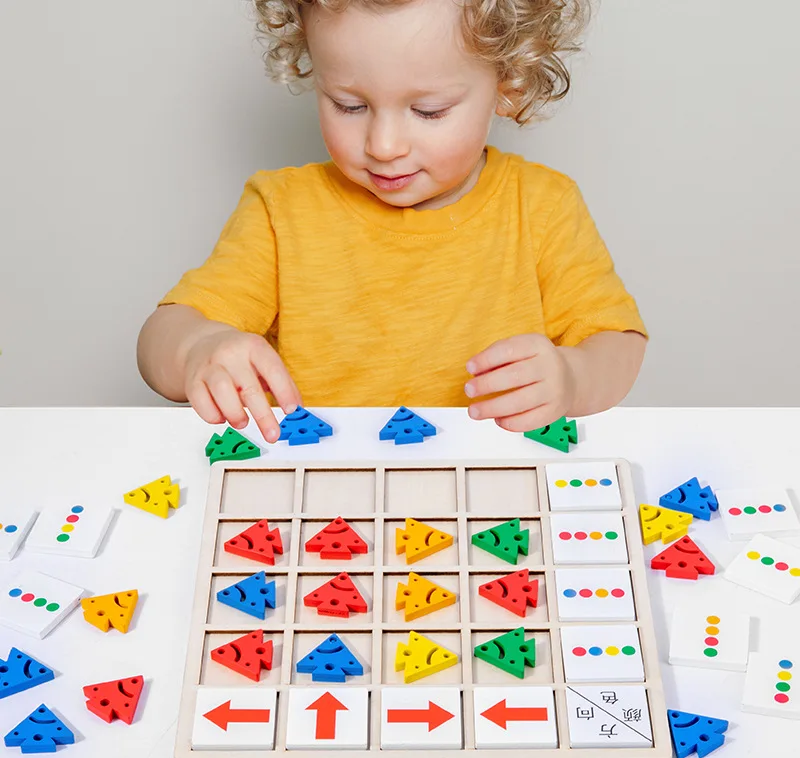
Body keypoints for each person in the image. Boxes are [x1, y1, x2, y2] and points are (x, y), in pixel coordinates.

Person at [137, 0, 647, 444]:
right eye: (348, 104)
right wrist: (195, 350)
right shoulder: (280, 209)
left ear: (509, 84)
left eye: (428, 111)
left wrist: (573, 378)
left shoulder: (543, 205)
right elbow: (163, 334)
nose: (383, 146)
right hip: (322, 499)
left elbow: (617, 342)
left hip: (490, 498)